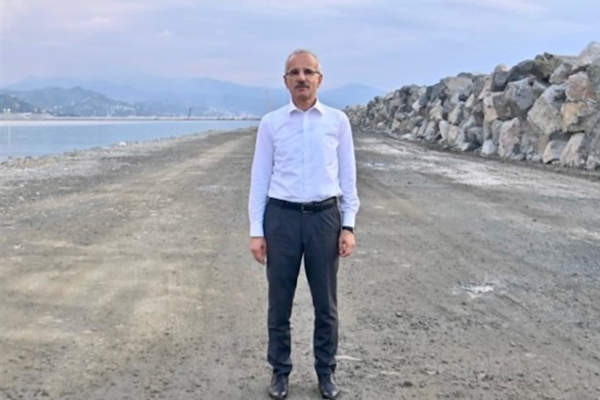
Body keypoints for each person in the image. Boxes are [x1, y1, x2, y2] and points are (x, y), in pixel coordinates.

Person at [248, 49, 360, 399]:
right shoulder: (271, 124)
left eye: (308, 72)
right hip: (281, 219)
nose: (301, 78)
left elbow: (348, 177)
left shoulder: (337, 122)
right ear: (285, 81)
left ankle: (326, 372)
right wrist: (256, 231)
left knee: (325, 305)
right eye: (294, 73)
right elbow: (260, 179)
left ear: (319, 79)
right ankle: (280, 372)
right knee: (279, 302)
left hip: (324, 219)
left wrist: (348, 225)